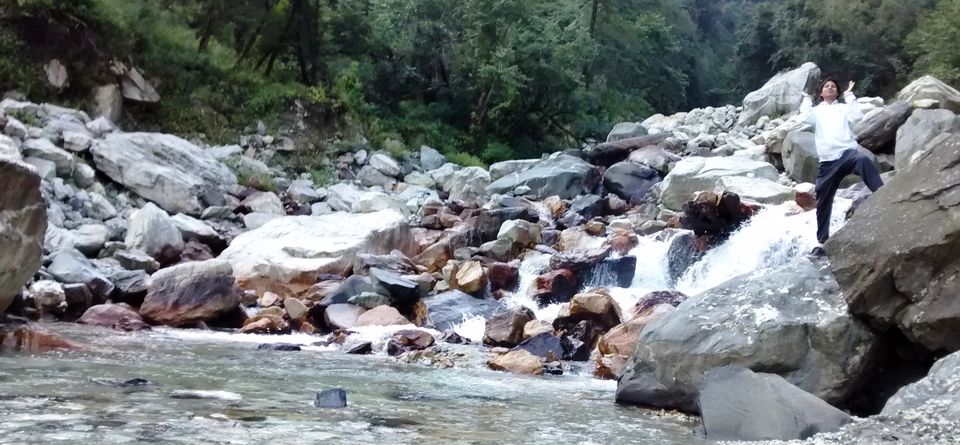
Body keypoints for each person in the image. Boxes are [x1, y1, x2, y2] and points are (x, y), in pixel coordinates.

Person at [798, 78, 884, 251]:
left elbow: (857, 117)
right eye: (826, 86)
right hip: (827, 161)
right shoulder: (815, 111)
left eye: (833, 86)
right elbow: (805, 119)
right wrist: (807, 99)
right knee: (823, 199)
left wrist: (849, 95)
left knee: (862, 160)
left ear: (837, 92)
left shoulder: (843, 108)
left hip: (846, 154)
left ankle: (884, 195)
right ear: (821, 93)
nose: (830, 87)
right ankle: (822, 241)